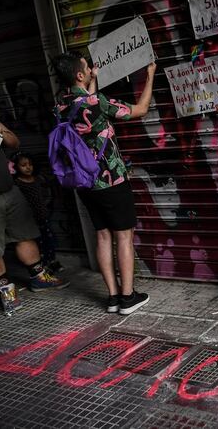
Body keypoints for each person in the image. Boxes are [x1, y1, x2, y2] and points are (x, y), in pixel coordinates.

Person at [51, 51, 156, 315]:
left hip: (85, 183)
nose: (90, 70)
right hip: (112, 179)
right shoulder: (97, 102)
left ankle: (112, 298)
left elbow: (85, 107)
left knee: (102, 235)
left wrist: (92, 80)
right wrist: (150, 75)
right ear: (79, 75)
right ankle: (128, 298)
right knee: (124, 236)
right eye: (87, 68)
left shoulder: (60, 106)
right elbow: (141, 110)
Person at [0, 109, 68, 314]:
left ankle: (39, 277)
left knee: (25, 234)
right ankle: (6, 292)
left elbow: (15, 143)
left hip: (9, 192)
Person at [11, 151, 64, 274]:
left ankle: (51, 261)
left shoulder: (38, 179)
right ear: (16, 167)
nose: (28, 167)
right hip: (29, 219)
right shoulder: (17, 183)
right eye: (23, 165)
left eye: (30, 164)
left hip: (43, 216)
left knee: (49, 240)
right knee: (36, 243)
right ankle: (40, 266)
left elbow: (48, 193)